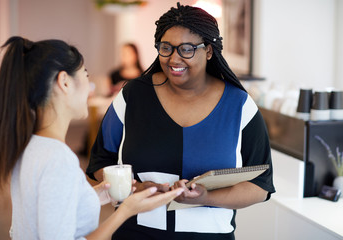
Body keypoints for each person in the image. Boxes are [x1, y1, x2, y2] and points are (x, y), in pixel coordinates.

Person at [86, 3, 275, 240]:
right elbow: (101, 162)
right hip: (135, 233)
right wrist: (134, 188)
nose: (174, 58)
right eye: (166, 47)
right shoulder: (132, 96)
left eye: (187, 49)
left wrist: (206, 197)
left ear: (208, 51)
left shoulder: (239, 106)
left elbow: (260, 185)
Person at [0, 36, 184, 240]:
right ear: (64, 82)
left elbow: (49, 208)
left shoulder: (31, 146)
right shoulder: (58, 159)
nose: (89, 89)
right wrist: (126, 211)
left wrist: (97, 195)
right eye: (85, 75)